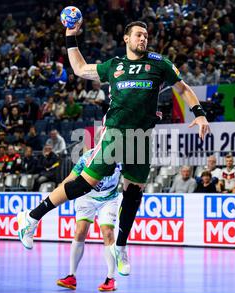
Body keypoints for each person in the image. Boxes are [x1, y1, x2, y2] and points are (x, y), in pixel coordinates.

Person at [17, 20, 210, 277]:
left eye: (146, 35)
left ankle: (120, 246)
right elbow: (80, 68)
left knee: (133, 193)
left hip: (141, 136)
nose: (143, 39)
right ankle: (31, 218)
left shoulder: (159, 63)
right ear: (126, 39)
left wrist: (199, 114)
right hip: (115, 134)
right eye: (139, 35)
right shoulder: (115, 66)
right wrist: (70, 36)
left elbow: (183, 88)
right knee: (85, 183)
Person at [56, 149, 121, 292]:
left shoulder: (121, 157)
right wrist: (53, 196)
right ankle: (71, 277)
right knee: (80, 231)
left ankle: (110, 278)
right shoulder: (87, 157)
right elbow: (71, 178)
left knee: (108, 233)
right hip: (85, 197)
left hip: (109, 198)